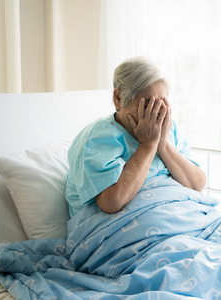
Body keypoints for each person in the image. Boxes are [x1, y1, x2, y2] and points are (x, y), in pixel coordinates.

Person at [65, 57, 206, 217]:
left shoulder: (168, 128)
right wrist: (148, 145)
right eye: (147, 106)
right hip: (119, 229)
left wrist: (163, 144)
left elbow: (197, 185)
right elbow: (112, 202)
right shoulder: (98, 137)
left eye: (161, 105)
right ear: (118, 99)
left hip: (177, 215)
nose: (156, 114)